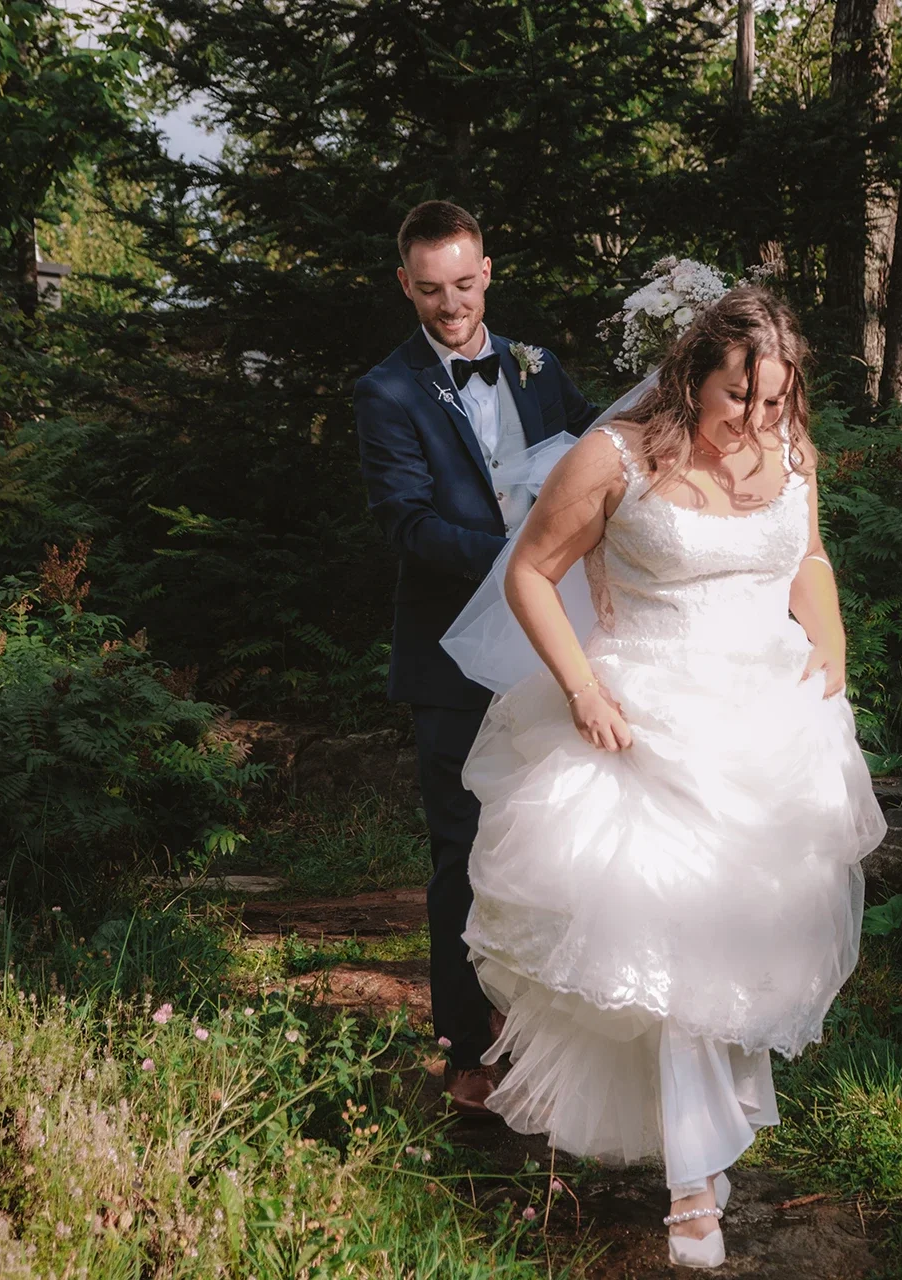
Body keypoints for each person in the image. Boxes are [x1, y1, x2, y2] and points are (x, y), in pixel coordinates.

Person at [457, 287, 886, 1268]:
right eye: (739, 399)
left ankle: (708, 1138)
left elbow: (807, 556)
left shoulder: (792, 456)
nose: (755, 421)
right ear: (693, 374)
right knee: (675, 946)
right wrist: (580, 688)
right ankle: (693, 1192)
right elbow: (532, 570)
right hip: (645, 723)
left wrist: (833, 644)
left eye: (774, 402)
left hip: (770, 729)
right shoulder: (616, 459)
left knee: (741, 932)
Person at [354, 200, 598, 1117]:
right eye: (429, 291)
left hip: (552, 648)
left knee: (553, 841)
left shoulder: (541, 367)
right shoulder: (384, 391)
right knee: (461, 849)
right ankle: (466, 1051)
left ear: (486, 271)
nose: (450, 306)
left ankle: (549, 1042)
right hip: (450, 656)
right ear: (405, 284)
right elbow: (407, 524)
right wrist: (519, 561)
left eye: (463, 285)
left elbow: (596, 456)